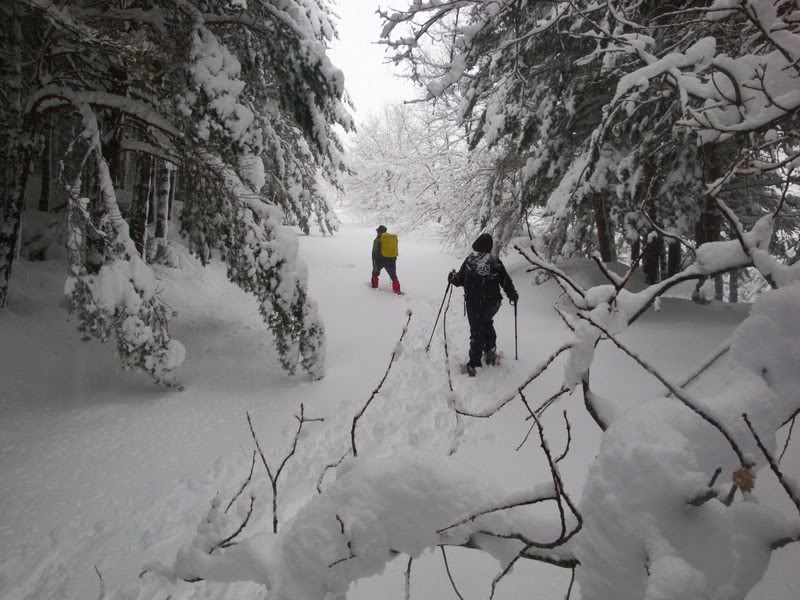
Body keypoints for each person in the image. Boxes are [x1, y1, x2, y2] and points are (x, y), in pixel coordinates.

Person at [448, 232, 518, 377]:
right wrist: (513, 295)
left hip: (475, 304)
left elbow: (459, 280)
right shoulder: (495, 262)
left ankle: (474, 364)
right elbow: (506, 282)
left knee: (477, 331)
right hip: (492, 304)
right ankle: (490, 352)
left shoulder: (469, 261)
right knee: (486, 323)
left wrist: (452, 277)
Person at [371, 225, 401, 294]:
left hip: (380, 260)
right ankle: (397, 290)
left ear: (379, 232)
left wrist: (374, 262)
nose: (377, 232)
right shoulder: (390, 239)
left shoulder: (377, 240)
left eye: (377, 231)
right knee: (393, 275)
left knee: (375, 273)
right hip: (391, 259)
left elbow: (374, 253)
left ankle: (374, 286)